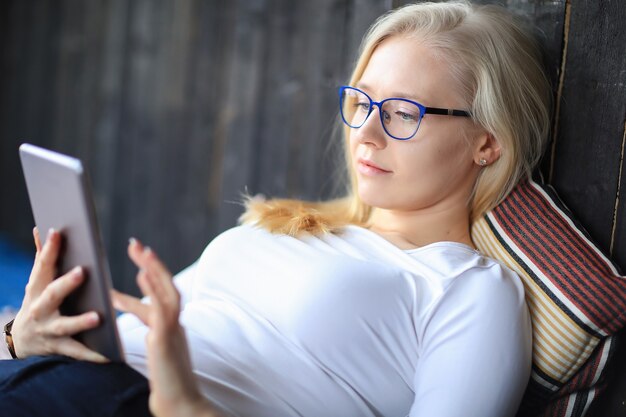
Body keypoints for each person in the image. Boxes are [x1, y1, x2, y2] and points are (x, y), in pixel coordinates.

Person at [1, 1, 551, 416]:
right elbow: (146, 330)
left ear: (488, 141)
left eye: (403, 112)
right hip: (58, 377)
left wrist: (185, 405)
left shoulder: (467, 289)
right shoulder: (288, 227)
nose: (367, 134)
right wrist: (25, 337)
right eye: (361, 103)